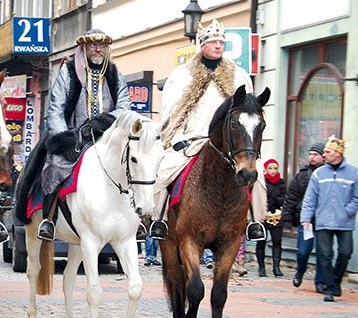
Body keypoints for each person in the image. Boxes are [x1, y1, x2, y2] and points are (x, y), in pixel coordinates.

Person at [150, 19, 266, 242]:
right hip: (191, 140)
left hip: (229, 145)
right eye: (213, 41)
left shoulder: (238, 75)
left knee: (257, 176)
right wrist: (177, 139)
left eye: (221, 42)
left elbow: (249, 110)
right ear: (202, 45)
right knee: (163, 171)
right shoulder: (182, 75)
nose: (218, 46)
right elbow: (171, 113)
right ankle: (158, 220)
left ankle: (255, 222)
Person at [37, 28, 131, 240]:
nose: (97, 49)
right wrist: (65, 140)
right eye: (92, 45)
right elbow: (56, 109)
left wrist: (105, 122)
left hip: (108, 136)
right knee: (55, 164)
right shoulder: (68, 71)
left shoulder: (115, 74)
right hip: (75, 138)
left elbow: (125, 106)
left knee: (134, 165)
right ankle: (48, 220)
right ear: (84, 48)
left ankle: (138, 218)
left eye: (101, 46)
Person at [301, 136, 358, 302]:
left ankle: (335, 282)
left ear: (338, 153)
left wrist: (347, 211)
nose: (324, 154)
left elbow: (356, 197)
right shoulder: (319, 173)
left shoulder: (353, 172)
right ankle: (330, 289)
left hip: (345, 222)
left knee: (345, 253)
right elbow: (310, 198)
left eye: (327, 151)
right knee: (324, 255)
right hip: (323, 221)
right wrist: (306, 218)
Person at [282, 142, 326, 291]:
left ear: (323, 157)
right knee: (302, 251)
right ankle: (300, 270)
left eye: (316, 154)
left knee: (323, 253)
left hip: (324, 220)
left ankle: (320, 282)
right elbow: (291, 196)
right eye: (311, 154)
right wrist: (287, 217)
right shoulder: (302, 175)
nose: (312, 157)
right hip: (306, 220)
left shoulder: (327, 174)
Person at [255, 158, 286, 277]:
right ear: (265, 170)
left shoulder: (282, 183)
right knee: (261, 241)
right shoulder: (261, 182)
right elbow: (258, 197)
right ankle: (261, 268)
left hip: (276, 215)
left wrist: (276, 200)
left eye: (275, 168)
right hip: (263, 215)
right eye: (270, 168)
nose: (273, 171)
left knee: (277, 241)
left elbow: (285, 198)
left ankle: (276, 267)